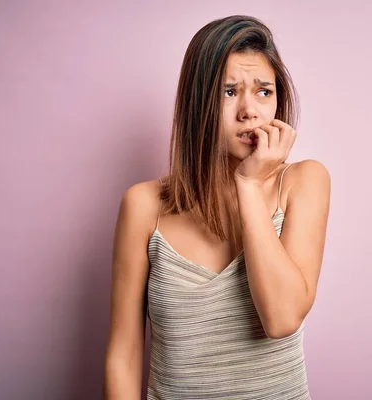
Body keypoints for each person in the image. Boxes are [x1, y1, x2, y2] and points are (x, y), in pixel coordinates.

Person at [104, 14, 331, 400]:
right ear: (198, 102)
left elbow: (281, 318)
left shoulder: (304, 182)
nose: (249, 110)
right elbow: (124, 355)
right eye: (229, 92)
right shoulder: (144, 206)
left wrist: (248, 184)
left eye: (264, 91)